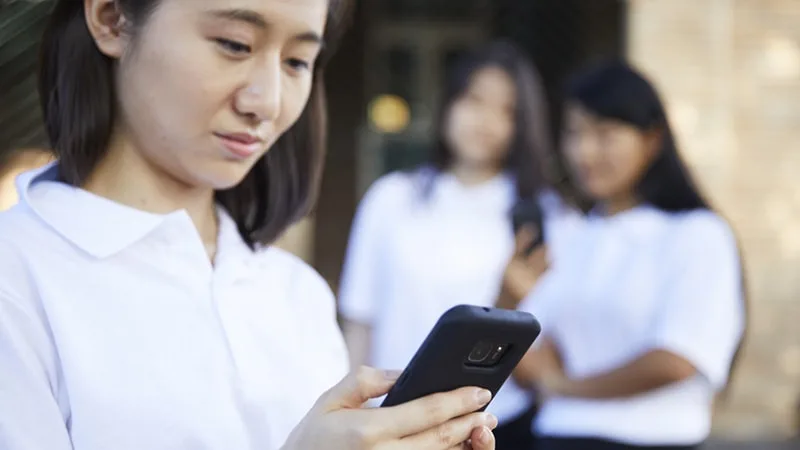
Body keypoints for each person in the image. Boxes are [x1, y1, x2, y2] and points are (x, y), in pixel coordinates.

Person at [0, 1, 499, 449]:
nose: (268, 101)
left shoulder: (296, 292)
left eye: (297, 62)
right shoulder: (17, 276)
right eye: (234, 45)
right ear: (112, 17)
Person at [338, 40, 581, 450]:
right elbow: (359, 320)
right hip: (391, 419)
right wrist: (348, 413)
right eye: (475, 100)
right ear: (449, 101)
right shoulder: (393, 197)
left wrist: (512, 299)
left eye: (506, 110)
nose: (485, 120)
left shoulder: (548, 217)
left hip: (494, 424)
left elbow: (555, 344)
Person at [501, 60, 748, 450]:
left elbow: (678, 358)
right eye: (574, 133)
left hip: (649, 440)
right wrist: (507, 301)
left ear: (651, 139)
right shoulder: (575, 234)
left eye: (605, 133)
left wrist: (566, 386)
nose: (584, 151)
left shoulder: (696, 234)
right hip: (555, 436)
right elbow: (528, 359)